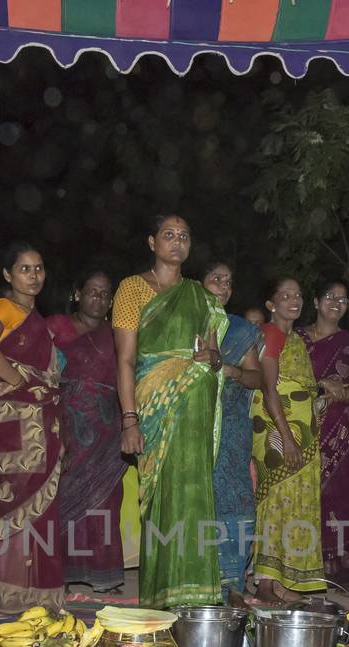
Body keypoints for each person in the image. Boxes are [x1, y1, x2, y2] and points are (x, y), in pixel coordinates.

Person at [112, 214, 228, 609]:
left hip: (194, 407)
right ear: (151, 242)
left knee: (194, 495)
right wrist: (129, 419)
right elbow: (125, 360)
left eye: (184, 236)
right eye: (168, 235)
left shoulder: (200, 296)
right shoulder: (132, 289)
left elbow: (214, 357)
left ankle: (194, 597)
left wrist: (211, 360)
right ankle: (161, 595)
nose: (177, 242)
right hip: (155, 405)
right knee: (161, 498)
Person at [0, 243, 66, 612]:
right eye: (24, 269)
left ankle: (39, 597)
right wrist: (20, 381)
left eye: (39, 268)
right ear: (7, 275)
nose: (34, 275)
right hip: (15, 423)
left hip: (41, 425)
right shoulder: (4, 307)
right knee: (15, 504)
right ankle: (10, 596)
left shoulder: (36, 317)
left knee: (43, 511)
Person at [46, 270, 125, 594]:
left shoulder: (118, 334)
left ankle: (103, 574)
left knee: (106, 501)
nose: (99, 298)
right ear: (77, 294)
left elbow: (129, 375)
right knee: (61, 498)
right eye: (92, 291)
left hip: (106, 429)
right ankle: (60, 574)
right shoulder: (56, 328)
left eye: (106, 293)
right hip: (64, 423)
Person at [250, 277, 325, 603]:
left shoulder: (292, 337)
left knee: (291, 503)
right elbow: (269, 389)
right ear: (271, 304)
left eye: (298, 295)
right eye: (285, 296)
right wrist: (287, 438)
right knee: (276, 503)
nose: (293, 301)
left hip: (295, 434)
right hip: (278, 433)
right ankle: (265, 582)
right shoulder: (271, 333)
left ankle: (281, 580)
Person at [298, 279, 349, 585]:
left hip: (338, 439)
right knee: (297, 498)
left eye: (343, 300)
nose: (336, 303)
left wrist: (338, 392)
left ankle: (335, 570)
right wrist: (319, 386)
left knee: (336, 497)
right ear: (315, 301)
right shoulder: (294, 340)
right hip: (296, 434)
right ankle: (298, 568)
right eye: (329, 296)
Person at [200, 262, 264, 599]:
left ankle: (231, 585)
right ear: (199, 285)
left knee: (237, 503)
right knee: (197, 502)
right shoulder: (185, 324)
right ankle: (197, 589)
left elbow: (257, 378)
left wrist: (234, 372)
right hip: (193, 432)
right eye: (216, 279)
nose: (224, 287)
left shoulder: (240, 330)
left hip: (233, 432)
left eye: (228, 281)